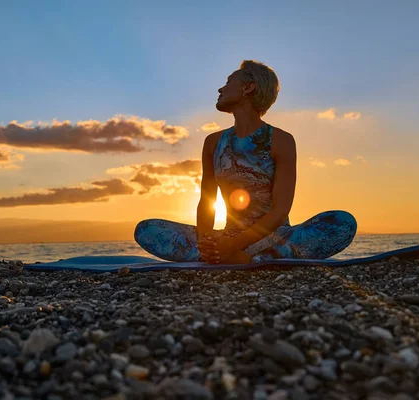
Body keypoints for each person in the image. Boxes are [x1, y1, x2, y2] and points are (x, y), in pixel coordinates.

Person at [135, 60, 357, 264]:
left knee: (342, 222)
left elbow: (280, 210)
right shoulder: (213, 142)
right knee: (146, 229)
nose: (220, 89)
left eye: (229, 81)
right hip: (228, 236)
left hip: (274, 236)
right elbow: (206, 201)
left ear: (248, 88)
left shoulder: (281, 140)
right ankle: (248, 259)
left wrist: (233, 244)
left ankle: (248, 255)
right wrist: (207, 243)